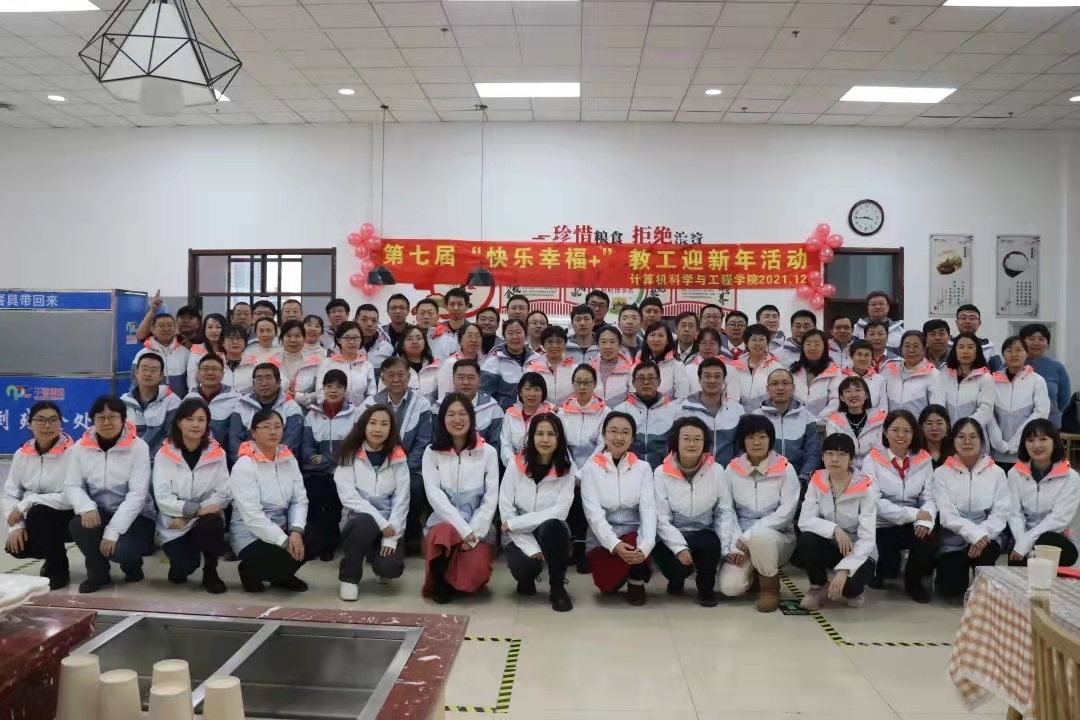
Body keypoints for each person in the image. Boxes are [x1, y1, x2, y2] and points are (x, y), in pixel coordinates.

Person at [64, 396, 155, 594]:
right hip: (100, 511)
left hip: (137, 516)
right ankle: (98, 573)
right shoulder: (80, 447)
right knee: (79, 524)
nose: (106, 422)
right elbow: (72, 485)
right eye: (100, 417)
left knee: (121, 550)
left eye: (112, 417)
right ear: (93, 420)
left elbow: (137, 495)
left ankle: (132, 564)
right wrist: (86, 508)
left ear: (123, 419)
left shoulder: (138, 447)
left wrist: (112, 532)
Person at [421, 393, 500, 603]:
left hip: (477, 526)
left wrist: (474, 532)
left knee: (475, 577)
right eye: (451, 414)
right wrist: (463, 530)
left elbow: (490, 498)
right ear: (442, 420)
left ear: (471, 418)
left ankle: (457, 572)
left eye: (462, 414)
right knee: (443, 533)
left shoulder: (488, 452)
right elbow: (435, 496)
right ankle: (440, 578)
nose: (457, 419)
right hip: (444, 522)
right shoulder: (431, 452)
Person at [717, 414, 800, 612]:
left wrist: (748, 536)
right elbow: (726, 511)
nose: (756, 442)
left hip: (778, 538)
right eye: (750, 437)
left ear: (770, 439)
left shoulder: (786, 469)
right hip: (741, 540)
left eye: (762, 437)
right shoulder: (731, 470)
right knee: (730, 588)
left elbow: (786, 513)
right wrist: (734, 545)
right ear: (742, 441)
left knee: (761, 537)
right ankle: (754, 575)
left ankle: (770, 587)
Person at [500, 413, 576, 612]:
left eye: (551, 434)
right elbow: (506, 507)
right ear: (531, 436)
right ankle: (526, 579)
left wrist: (516, 524)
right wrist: (530, 546)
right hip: (518, 533)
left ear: (559, 439)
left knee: (554, 527)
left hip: (547, 528)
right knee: (522, 566)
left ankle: (557, 587)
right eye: (540, 433)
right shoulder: (516, 464)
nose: (545, 439)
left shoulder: (567, 468)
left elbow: (560, 511)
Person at [333, 403, 410, 600]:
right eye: (373, 423)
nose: (378, 429)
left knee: (390, 568)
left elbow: (402, 500)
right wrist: (381, 522)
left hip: (389, 526)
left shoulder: (398, 457)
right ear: (364, 426)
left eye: (384, 424)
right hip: (357, 521)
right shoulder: (349, 454)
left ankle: (379, 563)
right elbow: (349, 496)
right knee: (365, 521)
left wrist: (391, 535)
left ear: (391, 429)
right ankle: (349, 579)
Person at [152, 399, 230, 594]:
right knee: (184, 568)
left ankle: (211, 572)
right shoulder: (164, 454)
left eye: (201, 420)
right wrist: (196, 511)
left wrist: (191, 515)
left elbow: (223, 493)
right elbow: (162, 498)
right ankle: (180, 563)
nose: (195, 425)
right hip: (173, 523)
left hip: (200, 519)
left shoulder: (217, 454)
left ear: (207, 424)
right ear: (179, 423)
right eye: (189, 419)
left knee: (213, 522)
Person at [229, 409, 309, 593]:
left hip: (283, 525)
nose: (273, 432)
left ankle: (282, 577)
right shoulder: (244, 465)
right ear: (254, 432)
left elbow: (299, 499)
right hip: (250, 533)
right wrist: (285, 541)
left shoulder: (288, 458)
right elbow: (252, 516)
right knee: (281, 555)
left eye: (277, 426)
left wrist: (296, 531)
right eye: (266, 427)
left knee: (313, 537)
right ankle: (249, 571)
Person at [581, 411, 656, 605]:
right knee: (606, 588)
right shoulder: (590, 469)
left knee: (636, 546)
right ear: (604, 435)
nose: (619, 437)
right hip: (602, 538)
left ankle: (636, 580)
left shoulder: (643, 468)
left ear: (632, 437)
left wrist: (645, 547)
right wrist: (614, 544)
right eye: (613, 431)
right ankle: (625, 568)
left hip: (634, 536)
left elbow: (648, 510)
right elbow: (593, 514)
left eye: (625, 432)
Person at [861, 410, 937, 602]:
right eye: (895, 430)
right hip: (882, 524)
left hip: (912, 522)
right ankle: (882, 568)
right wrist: (914, 514)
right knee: (888, 572)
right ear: (885, 432)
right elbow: (873, 501)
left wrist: (924, 521)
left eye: (907, 431)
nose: (901, 435)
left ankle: (914, 581)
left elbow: (929, 498)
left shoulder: (924, 459)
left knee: (928, 535)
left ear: (914, 433)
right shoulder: (871, 459)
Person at [933, 418, 1012, 601]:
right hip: (954, 537)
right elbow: (947, 514)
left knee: (985, 590)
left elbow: (1001, 511)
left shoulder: (997, 472)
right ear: (953, 441)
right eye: (961, 437)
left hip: (986, 537)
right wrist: (973, 534)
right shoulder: (941, 473)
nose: (967, 441)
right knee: (952, 591)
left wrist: (981, 535)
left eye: (973, 436)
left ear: (982, 442)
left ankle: (982, 575)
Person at [360, 357, 434, 553]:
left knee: (414, 486)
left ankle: (409, 536)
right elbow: (363, 439)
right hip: (376, 464)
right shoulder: (370, 404)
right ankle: (375, 535)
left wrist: (402, 469)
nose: (396, 379)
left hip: (410, 466)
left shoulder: (422, 404)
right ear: (382, 378)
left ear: (409, 376)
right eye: (390, 375)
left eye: (401, 375)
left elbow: (423, 443)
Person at [797, 433, 878, 610]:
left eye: (842, 454)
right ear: (822, 457)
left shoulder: (866, 488)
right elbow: (804, 521)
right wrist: (835, 530)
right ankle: (818, 586)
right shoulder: (817, 481)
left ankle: (854, 591)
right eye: (830, 453)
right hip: (832, 542)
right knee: (807, 539)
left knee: (850, 588)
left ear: (851, 459)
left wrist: (844, 570)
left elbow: (867, 538)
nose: (835, 459)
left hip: (859, 548)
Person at [653, 417, 725, 607]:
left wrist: (727, 547)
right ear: (676, 441)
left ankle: (706, 589)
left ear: (705, 443)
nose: (692, 444)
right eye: (686, 438)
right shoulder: (661, 472)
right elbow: (660, 517)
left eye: (697, 439)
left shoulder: (717, 471)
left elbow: (724, 512)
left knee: (710, 545)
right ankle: (676, 580)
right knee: (674, 564)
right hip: (672, 533)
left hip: (703, 531)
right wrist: (679, 547)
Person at [3, 401, 75, 590]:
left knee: (40, 513)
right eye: (40, 420)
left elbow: (72, 495)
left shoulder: (74, 453)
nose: (47, 425)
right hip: (35, 516)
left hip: (68, 513)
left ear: (60, 423)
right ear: (30, 424)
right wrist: (16, 527)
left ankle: (58, 569)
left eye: (53, 420)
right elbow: (9, 493)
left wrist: (29, 501)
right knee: (17, 547)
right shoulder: (22, 454)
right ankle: (51, 555)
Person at [299, 370, 359, 561]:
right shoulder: (312, 415)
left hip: (344, 469)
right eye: (329, 386)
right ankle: (314, 543)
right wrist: (320, 461)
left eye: (339, 387)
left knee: (333, 497)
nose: (333, 390)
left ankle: (329, 544)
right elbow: (307, 447)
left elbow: (353, 446)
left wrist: (327, 459)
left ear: (345, 390)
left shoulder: (355, 414)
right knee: (314, 496)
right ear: (322, 389)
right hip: (316, 472)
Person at [1006, 419, 1080, 568]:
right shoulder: (1014, 473)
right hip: (1021, 537)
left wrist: (1027, 542)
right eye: (1030, 440)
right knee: (1017, 567)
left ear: (1055, 442)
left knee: (1049, 542)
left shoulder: (1071, 477)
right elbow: (1014, 513)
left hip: (1054, 538)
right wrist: (1022, 543)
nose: (1036, 445)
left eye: (1043, 439)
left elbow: (1059, 518)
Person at [989, 336, 1051, 468]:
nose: (1014, 354)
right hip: (997, 451)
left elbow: (1041, 412)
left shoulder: (1037, 380)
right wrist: (998, 443)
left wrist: (1016, 442)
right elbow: (989, 414)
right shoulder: (992, 381)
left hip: (1027, 449)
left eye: (1018, 350)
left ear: (1026, 353)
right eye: (1009, 350)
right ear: (1003, 354)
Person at [754, 369, 821, 486]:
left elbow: (812, 454)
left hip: (798, 481)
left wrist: (802, 479)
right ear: (767, 389)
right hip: (763, 480)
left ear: (793, 388)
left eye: (785, 383)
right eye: (775, 383)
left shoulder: (807, 418)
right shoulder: (756, 417)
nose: (780, 388)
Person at [227, 363, 303, 464]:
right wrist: (249, 463)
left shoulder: (291, 407)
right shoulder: (242, 405)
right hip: (249, 464)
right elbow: (235, 441)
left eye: (268, 378)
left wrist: (270, 465)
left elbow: (291, 443)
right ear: (253, 384)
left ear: (278, 382)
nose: (263, 383)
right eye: (259, 379)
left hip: (281, 465)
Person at [614, 361, 680, 469]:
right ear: (633, 383)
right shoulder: (621, 411)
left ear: (659, 382)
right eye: (641, 378)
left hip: (663, 472)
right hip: (628, 471)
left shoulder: (674, 411)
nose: (646, 382)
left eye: (650, 378)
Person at [679, 357, 744, 466]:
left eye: (717, 376)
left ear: (724, 380)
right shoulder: (684, 409)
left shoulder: (737, 410)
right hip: (695, 471)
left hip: (729, 472)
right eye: (707, 376)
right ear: (699, 379)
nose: (712, 381)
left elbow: (742, 446)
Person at [121, 352, 182, 459]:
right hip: (129, 459)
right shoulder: (123, 402)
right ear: (136, 373)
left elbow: (172, 439)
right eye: (144, 369)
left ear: (161, 376)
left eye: (153, 370)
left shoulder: (172, 402)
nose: (148, 374)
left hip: (160, 460)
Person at [500, 372, 557, 467]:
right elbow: (506, 444)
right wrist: (513, 466)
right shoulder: (510, 415)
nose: (532, 394)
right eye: (527, 389)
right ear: (520, 392)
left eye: (537, 389)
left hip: (543, 466)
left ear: (543, 393)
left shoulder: (550, 416)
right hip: (514, 466)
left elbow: (556, 445)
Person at [825, 376, 885, 465]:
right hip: (845, 468)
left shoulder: (880, 420)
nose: (853, 395)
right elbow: (836, 451)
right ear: (841, 397)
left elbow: (881, 451)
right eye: (848, 391)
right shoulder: (833, 422)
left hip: (875, 467)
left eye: (858, 390)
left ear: (866, 395)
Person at [941, 332, 994, 432]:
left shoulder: (985, 378)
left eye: (970, 347)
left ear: (977, 351)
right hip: (948, 433)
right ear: (955, 350)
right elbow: (939, 404)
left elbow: (985, 410)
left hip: (974, 432)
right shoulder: (944, 374)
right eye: (961, 347)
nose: (965, 351)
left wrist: (966, 428)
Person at [1020, 323, 1070, 428]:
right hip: (1019, 424)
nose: (1036, 343)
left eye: (1041, 339)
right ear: (1022, 342)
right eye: (1031, 339)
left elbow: (1064, 400)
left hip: (1050, 424)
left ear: (1047, 343)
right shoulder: (1012, 365)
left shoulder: (1057, 367)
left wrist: (1051, 411)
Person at [316, 321, 376, 407]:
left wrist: (360, 411)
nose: (352, 342)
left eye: (356, 338)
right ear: (338, 340)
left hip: (360, 412)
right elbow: (320, 392)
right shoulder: (327, 363)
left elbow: (372, 394)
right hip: (333, 411)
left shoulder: (367, 366)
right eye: (347, 337)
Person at [883, 330, 942, 418]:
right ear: (901, 348)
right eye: (907, 346)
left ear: (924, 349)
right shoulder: (888, 371)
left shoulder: (933, 375)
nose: (911, 350)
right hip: (892, 424)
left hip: (918, 425)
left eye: (916, 346)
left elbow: (936, 410)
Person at [186, 354, 239, 448]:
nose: (210, 373)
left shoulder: (235, 400)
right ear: (198, 373)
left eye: (215, 369)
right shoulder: (188, 400)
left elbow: (236, 437)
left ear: (223, 374)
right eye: (205, 369)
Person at [133, 312, 190, 396]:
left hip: (180, 402)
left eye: (170, 325)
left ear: (175, 329)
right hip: (151, 403)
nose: (166, 329)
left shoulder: (185, 353)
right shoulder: (142, 354)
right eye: (161, 325)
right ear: (152, 329)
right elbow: (134, 384)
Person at [452, 359, 504, 448]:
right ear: (453, 379)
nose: (466, 382)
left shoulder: (494, 410)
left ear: (479, 380)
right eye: (461, 377)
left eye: (471, 377)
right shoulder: (440, 408)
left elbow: (496, 447)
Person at [790, 329, 840, 420]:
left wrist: (816, 422)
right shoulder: (793, 370)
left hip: (823, 424)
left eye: (817, 344)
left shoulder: (835, 371)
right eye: (808, 344)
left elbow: (835, 401)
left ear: (825, 347)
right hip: (794, 422)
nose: (812, 348)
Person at [731, 323, 782, 412]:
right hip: (739, 415)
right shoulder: (735, 367)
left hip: (767, 415)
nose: (758, 343)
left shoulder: (776, 368)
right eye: (753, 340)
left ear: (767, 342)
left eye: (761, 340)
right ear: (746, 343)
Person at [481, 318, 530, 410]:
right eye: (510, 333)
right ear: (504, 336)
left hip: (533, 415)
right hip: (503, 415)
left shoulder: (536, 360)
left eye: (518, 332)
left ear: (526, 335)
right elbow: (483, 395)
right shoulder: (493, 362)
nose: (515, 337)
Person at [524, 326, 577, 406]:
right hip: (541, 412)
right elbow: (527, 395)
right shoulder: (533, 369)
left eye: (558, 342)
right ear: (543, 345)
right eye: (550, 342)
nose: (554, 346)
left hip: (569, 411)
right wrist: (550, 408)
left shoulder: (575, 369)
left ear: (565, 344)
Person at [638, 322, 691, 400]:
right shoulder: (638, 364)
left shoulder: (677, 366)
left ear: (667, 340)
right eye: (652, 335)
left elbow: (682, 397)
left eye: (661, 335)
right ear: (646, 339)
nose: (656, 339)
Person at [437, 323, 488, 401]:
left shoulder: (486, 362)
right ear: (460, 340)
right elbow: (444, 394)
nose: (474, 340)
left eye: (477, 336)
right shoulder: (450, 363)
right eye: (469, 336)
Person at [232, 317, 283, 394]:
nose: (265, 334)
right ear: (256, 333)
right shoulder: (247, 351)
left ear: (275, 333)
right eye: (261, 331)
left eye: (269, 330)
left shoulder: (281, 352)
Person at [590, 326, 634, 406]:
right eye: (603, 342)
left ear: (619, 344)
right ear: (597, 344)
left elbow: (632, 399)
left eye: (612, 342)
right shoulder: (590, 369)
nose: (608, 346)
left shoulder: (629, 370)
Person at [687, 328, 735, 400]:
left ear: (719, 346)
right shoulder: (687, 369)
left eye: (712, 343)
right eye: (704, 343)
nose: (708, 347)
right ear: (698, 345)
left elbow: (734, 398)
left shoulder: (730, 370)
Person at [954, 304, 1003, 372]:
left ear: (979, 323)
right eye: (963, 318)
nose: (967, 321)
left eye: (972, 318)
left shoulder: (990, 348)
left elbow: (998, 373)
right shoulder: (948, 345)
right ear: (956, 323)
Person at [397, 325, 439, 402]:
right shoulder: (393, 366)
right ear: (402, 344)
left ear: (425, 342)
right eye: (409, 339)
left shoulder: (437, 366)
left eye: (419, 338)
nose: (415, 342)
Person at [186, 313, 226, 391]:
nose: (214, 331)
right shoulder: (196, 351)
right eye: (210, 327)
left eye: (218, 327)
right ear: (204, 329)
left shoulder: (229, 349)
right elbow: (192, 380)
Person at [355, 303, 394, 372]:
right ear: (355, 321)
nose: (369, 324)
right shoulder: (347, 346)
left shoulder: (387, 348)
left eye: (374, 321)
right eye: (364, 319)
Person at [920, 404, 954, 469]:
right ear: (921, 427)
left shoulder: (955, 453)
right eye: (929, 423)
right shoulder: (915, 453)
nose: (934, 428)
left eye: (939, 423)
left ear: (948, 425)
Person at [218, 326, 249, 394]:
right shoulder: (214, 362)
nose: (235, 342)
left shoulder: (254, 364)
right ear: (223, 342)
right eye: (231, 338)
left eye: (239, 338)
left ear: (245, 342)